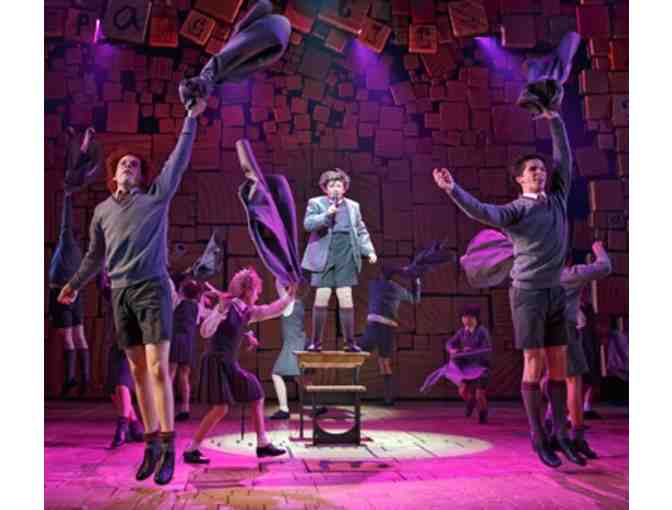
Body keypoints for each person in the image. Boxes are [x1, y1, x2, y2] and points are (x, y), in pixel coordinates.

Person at [57, 98, 207, 485]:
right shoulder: (102, 211)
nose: (129, 166)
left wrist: (190, 118)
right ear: (113, 175)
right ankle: (152, 443)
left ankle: (169, 445)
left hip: (152, 289)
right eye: (124, 163)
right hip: (121, 295)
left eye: (135, 165)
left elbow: (177, 161)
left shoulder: (155, 199)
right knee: (138, 371)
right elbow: (94, 257)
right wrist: (73, 285)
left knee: (158, 368)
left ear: (141, 177)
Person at [432, 107, 585, 468]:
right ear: (519, 179)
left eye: (542, 169)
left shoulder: (557, 199)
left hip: (555, 292)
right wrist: (453, 190)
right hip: (528, 294)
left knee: (559, 367)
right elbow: (481, 211)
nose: (540, 172)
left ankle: (561, 434)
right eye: (532, 170)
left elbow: (565, 158)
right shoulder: (516, 211)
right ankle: (538, 436)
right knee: (534, 364)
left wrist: (555, 119)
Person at [183, 268, 296, 464]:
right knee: (220, 409)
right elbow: (205, 332)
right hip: (216, 361)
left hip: (228, 362)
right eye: (257, 291)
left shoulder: (245, 311)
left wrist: (290, 296)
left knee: (256, 393)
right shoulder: (228, 307)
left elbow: (270, 310)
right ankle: (191, 449)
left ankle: (262, 444)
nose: (258, 295)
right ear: (248, 290)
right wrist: (219, 309)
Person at [48, 126, 100, 398]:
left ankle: (71, 378)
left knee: (67, 337)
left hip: (61, 293)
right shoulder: (81, 253)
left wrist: (68, 198)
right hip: (74, 294)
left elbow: (66, 221)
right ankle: (85, 377)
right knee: (79, 335)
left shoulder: (67, 242)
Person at [548, 241, 612, 459]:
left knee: (552, 380)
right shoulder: (569, 274)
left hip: (543, 331)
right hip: (564, 330)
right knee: (573, 382)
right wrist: (598, 248)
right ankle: (576, 437)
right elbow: (605, 266)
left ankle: (554, 429)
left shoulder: (540, 276)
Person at [301, 169, 377, 352]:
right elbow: (308, 224)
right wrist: (326, 215)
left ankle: (349, 343)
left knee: (345, 296)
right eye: (331, 185)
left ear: (344, 188)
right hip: (324, 254)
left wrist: (369, 250)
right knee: (322, 294)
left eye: (339, 185)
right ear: (325, 188)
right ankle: (316, 343)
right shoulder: (316, 203)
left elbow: (360, 230)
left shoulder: (353, 206)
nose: (335, 188)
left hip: (346, 253)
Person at [359, 266, 421, 406]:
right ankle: (388, 399)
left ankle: (351, 394)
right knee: (384, 363)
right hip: (388, 328)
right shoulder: (397, 289)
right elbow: (415, 299)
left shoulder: (373, 285)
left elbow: (377, 278)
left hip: (374, 326)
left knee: (356, 357)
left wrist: (401, 271)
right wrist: (415, 278)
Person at [99, 271, 144, 448]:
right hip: (114, 345)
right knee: (114, 390)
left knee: (121, 385)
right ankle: (135, 427)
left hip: (130, 346)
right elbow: (101, 282)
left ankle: (121, 429)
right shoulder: (113, 294)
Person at [444, 306, 492, 423]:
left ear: (476, 318)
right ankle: (471, 402)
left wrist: (471, 351)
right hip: (466, 367)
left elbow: (486, 349)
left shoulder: (482, 331)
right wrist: (452, 349)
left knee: (479, 394)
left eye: (469, 317)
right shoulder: (462, 332)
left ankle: (483, 414)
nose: (466, 320)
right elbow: (449, 343)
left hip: (480, 367)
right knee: (463, 391)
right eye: (464, 317)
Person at [169, 278, 203, 422]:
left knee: (170, 374)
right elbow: (197, 321)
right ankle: (185, 408)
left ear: (182, 291)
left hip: (176, 340)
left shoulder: (177, 302)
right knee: (184, 375)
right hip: (189, 342)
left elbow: (170, 290)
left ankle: (166, 407)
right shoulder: (198, 307)